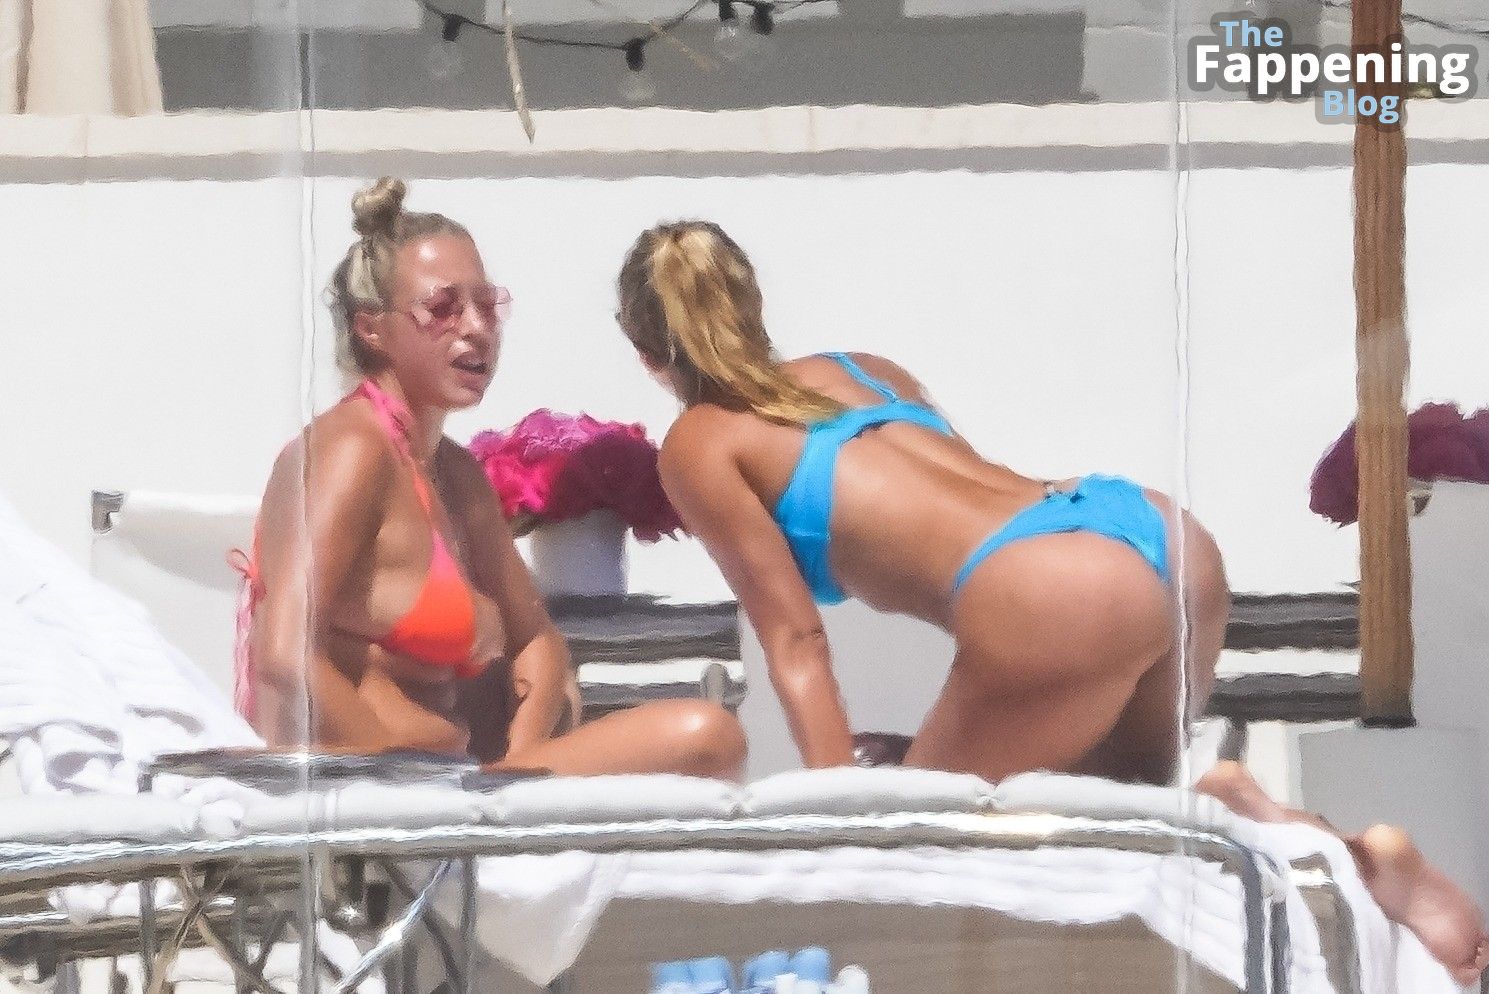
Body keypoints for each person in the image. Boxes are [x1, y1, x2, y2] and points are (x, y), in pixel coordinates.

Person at [613, 218, 1488, 983]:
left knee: (902, 868)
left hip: (1053, 593)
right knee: (1119, 835)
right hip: (1142, 529)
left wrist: (841, 813)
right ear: (752, 300)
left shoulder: (698, 445)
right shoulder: (861, 369)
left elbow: (795, 640)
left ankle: (1288, 839)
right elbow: (962, 520)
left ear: (642, 346)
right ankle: (1313, 843)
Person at [232, 180, 744, 781]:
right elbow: (283, 655)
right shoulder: (349, 452)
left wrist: (516, 765)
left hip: (467, 786)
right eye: (443, 308)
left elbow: (539, 641)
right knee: (705, 737)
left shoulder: (456, 473)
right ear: (372, 329)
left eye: (487, 304)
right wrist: (403, 780)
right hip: (381, 792)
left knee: (710, 738)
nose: (476, 327)